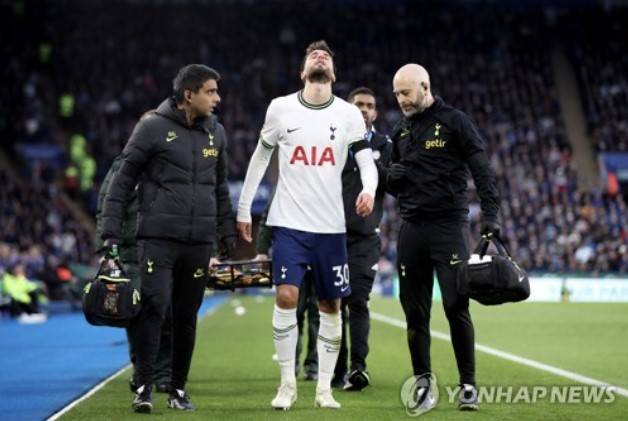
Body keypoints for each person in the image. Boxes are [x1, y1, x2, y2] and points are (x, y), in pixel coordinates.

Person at [236, 40, 378, 410]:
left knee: (331, 304)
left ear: (333, 73)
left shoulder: (348, 114)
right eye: (314, 55)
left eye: (326, 56)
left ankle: (324, 390)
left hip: (331, 228)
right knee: (286, 297)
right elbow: (260, 157)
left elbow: (366, 162)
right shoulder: (280, 108)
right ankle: (287, 385)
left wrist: (369, 190)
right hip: (289, 224)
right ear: (303, 72)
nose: (320, 57)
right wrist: (244, 208)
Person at [101, 64, 236, 413]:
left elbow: (220, 188)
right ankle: (143, 387)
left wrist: (227, 232)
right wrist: (109, 234)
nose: (217, 98)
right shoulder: (151, 128)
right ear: (188, 94)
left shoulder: (217, 133)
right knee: (154, 309)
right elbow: (121, 182)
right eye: (210, 91)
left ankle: (177, 389)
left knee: (186, 317)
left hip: (199, 242)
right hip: (158, 240)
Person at [388, 64, 500, 411]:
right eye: (396, 94)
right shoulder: (400, 130)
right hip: (411, 230)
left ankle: (468, 386)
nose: (401, 100)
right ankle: (423, 384)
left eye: (406, 92)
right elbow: (391, 183)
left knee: (455, 305)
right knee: (414, 313)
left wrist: (491, 215)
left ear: (425, 86)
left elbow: (481, 170)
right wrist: (391, 178)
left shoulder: (456, 122)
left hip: (448, 228)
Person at [95, 134, 173, 394]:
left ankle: (162, 373)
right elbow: (106, 205)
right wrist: (106, 247)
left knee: (165, 312)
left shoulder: (172, 162)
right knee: (136, 312)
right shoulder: (123, 165)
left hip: (163, 247)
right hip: (131, 249)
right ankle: (142, 369)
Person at [333, 87, 392, 391]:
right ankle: (335, 370)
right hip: (331, 236)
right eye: (358, 104)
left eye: (369, 105)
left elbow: (394, 183)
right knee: (333, 304)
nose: (364, 110)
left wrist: (371, 160)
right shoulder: (332, 141)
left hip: (365, 239)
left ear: (375, 112)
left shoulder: (385, 144)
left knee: (358, 301)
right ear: (348, 108)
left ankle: (358, 368)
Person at [256, 201, 320, 381]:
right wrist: (262, 249)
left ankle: (312, 365)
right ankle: (294, 363)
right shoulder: (284, 187)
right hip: (293, 253)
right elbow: (269, 214)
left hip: (319, 252)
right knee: (294, 312)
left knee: (317, 313)